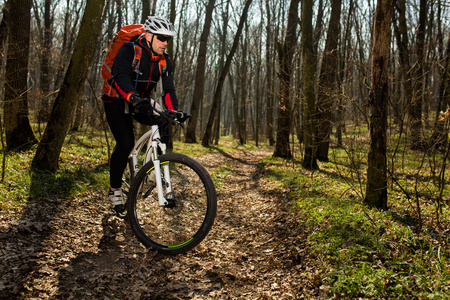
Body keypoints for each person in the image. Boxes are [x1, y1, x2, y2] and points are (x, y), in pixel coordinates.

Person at [102, 16, 179, 214]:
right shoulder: (129, 50)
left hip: (141, 101)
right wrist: (132, 96)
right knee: (126, 142)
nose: (165, 43)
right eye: (161, 38)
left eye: (168, 39)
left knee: (165, 119)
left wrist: (175, 111)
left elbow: (168, 91)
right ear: (149, 35)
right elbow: (120, 76)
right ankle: (115, 188)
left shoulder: (164, 60)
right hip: (117, 100)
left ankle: (155, 168)